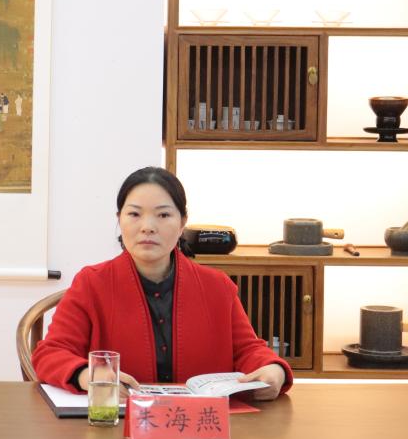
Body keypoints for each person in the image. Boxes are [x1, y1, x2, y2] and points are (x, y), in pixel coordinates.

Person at [32, 166, 292, 400]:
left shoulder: (217, 286)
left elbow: (248, 350)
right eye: (134, 214)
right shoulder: (91, 283)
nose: (148, 227)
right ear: (119, 219)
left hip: (201, 426)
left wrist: (274, 369)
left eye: (163, 215)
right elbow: (51, 353)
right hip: (118, 424)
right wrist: (89, 374)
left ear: (182, 223)